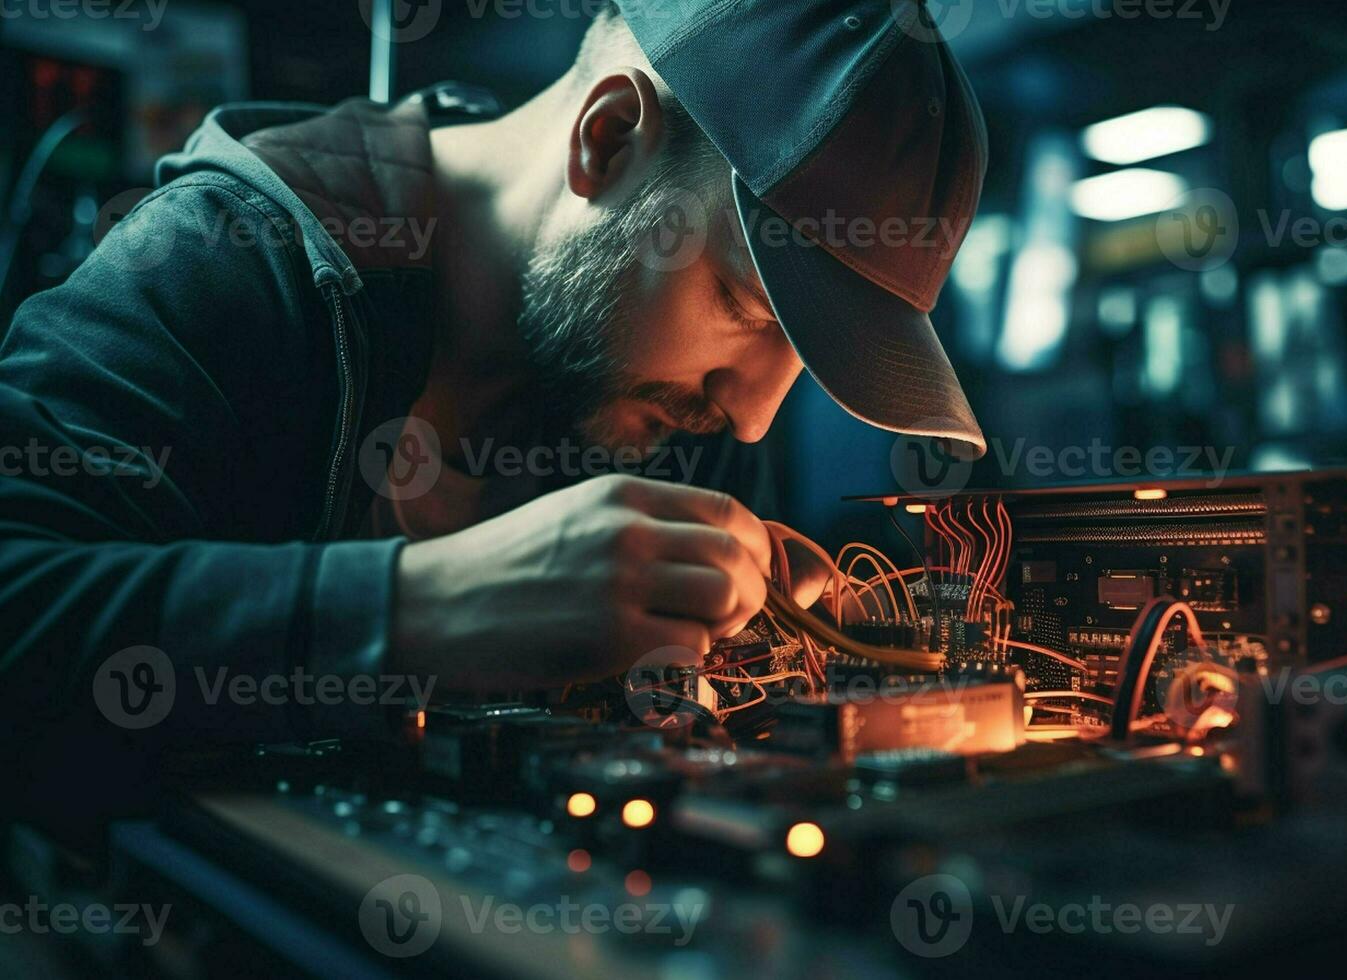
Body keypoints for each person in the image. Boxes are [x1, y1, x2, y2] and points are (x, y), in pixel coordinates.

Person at [0, 1, 988, 753]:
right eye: (750, 307)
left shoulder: (685, 428)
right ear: (606, 139)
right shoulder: (221, 261)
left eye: (808, 360)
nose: (754, 418)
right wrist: (419, 609)